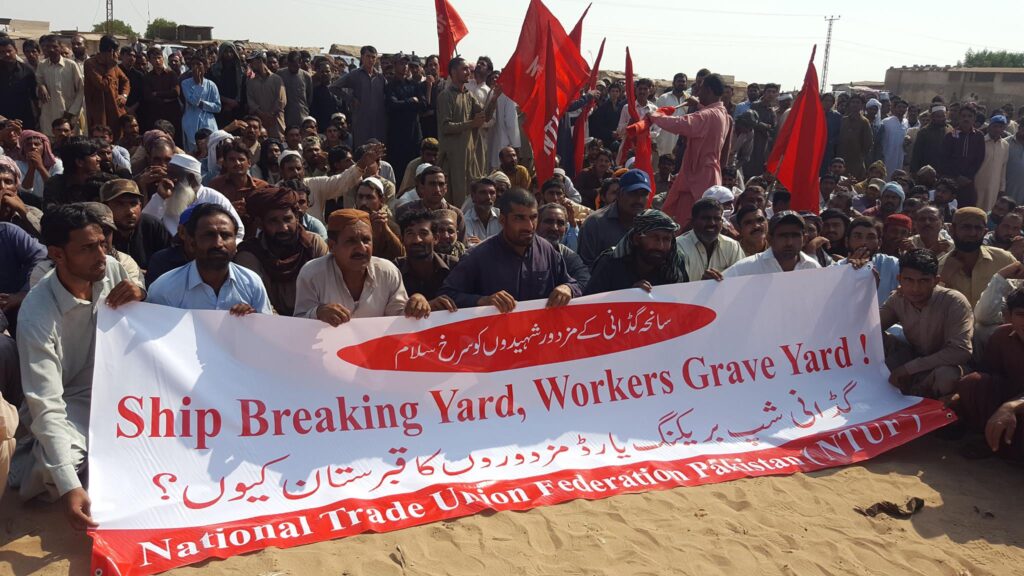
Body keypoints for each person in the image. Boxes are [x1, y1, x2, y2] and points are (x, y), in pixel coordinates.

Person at [10, 204, 144, 527]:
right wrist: (71, 486)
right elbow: (46, 403)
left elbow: (136, 323)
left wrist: (140, 293)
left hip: (119, 391)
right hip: (73, 402)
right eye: (87, 248)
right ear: (57, 254)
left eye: (102, 243)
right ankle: (26, 460)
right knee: (56, 470)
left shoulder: (110, 268)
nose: (101, 254)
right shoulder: (37, 313)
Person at [440, 188, 580, 311]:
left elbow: (574, 284)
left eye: (533, 217)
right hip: (496, 337)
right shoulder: (478, 256)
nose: (529, 226)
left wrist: (567, 288)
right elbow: (447, 294)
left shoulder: (546, 250)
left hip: (537, 334)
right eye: (519, 218)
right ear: (502, 220)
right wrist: (483, 301)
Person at [294, 209, 417, 322]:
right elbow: (299, 322)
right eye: (351, 241)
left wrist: (415, 306)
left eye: (366, 240)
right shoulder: (312, 274)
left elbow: (399, 320)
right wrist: (318, 313)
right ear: (332, 246)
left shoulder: (387, 272)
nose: (361, 248)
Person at [880, 249, 973, 399]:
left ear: (935, 281)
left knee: (946, 376)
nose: (915, 288)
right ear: (899, 279)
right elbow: (870, 329)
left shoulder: (954, 301)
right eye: (908, 280)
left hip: (944, 366)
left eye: (923, 281)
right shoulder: (898, 298)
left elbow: (960, 351)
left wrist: (908, 369)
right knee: (874, 341)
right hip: (912, 360)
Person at [650, 74, 733, 230]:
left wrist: (655, 117)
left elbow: (682, 124)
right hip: (704, 175)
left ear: (708, 90)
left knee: (692, 223)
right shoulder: (723, 114)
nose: (697, 92)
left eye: (700, 88)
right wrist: (699, 105)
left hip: (698, 178)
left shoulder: (708, 115)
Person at [235, 187, 328, 316]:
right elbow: (256, 302)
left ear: (296, 217)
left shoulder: (314, 244)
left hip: (314, 320)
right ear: (261, 224)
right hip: (270, 325)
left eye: (287, 219)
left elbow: (328, 290)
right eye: (273, 221)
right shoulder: (250, 255)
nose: (283, 228)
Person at [955, 286, 1024, 461]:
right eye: (1021, 314)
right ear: (1008, 316)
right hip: (1008, 404)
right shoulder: (1001, 337)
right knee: (972, 383)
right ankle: (987, 438)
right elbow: (987, 376)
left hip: (1015, 407)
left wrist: (1012, 406)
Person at [585, 209, 688, 295]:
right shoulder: (610, 262)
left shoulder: (675, 266)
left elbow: (683, 304)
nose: (660, 246)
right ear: (637, 239)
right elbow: (590, 305)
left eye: (666, 239)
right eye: (654, 237)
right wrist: (628, 296)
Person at [142, 153, 244, 240]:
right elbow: (144, 226)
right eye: (167, 175)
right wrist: (160, 198)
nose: (168, 180)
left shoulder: (214, 198)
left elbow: (238, 231)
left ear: (190, 179)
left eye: (173, 176)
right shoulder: (164, 195)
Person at [938, 207, 1017, 308]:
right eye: (966, 227)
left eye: (978, 228)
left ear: (985, 232)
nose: (972, 233)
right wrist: (944, 278)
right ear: (952, 230)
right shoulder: (940, 266)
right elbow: (932, 305)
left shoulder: (1004, 259)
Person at [437, 57, 488, 207]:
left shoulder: (469, 95)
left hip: (470, 156)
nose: (468, 72)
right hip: (453, 157)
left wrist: (494, 98)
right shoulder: (445, 96)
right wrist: (471, 124)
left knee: (470, 194)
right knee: (454, 199)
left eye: (468, 69)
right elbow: (446, 127)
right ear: (453, 72)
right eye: (464, 69)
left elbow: (485, 116)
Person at [578, 169, 650, 267]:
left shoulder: (652, 223)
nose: (639, 199)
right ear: (619, 194)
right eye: (633, 193)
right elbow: (584, 268)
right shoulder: (595, 223)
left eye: (644, 194)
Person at [101, 178, 171, 271]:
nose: (130, 211)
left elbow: (169, 262)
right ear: (105, 207)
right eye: (120, 204)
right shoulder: (99, 233)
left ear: (140, 206)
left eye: (133, 204)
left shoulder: (152, 225)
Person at [724, 211, 822, 277]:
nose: (789, 242)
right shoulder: (745, 268)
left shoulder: (813, 267)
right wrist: (711, 281)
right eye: (782, 236)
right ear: (770, 239)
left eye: (795, 235)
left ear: (804, 239)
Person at [394, 208, 459, 306]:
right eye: (410, 234)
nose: (417, 240)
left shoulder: (454, 266)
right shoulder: (394, 270)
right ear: (402, 239)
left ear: (436, 238)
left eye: (423, 233)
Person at [330, 46, 386, 147]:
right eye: (368, 56)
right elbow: (333, 87)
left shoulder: (380, 77)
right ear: (362, 57)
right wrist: (350, 99)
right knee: (361, 150)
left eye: (373, 57)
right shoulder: (355, 75)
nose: (371, 60)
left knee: (378, 150)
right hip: (361, 120)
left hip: (378, 122)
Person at [678, 197, 743, 281]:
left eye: (717, 219)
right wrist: (703, 285)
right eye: (705, 218)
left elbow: (740, 279)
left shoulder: (732, 246)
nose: (712, 223)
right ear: (693, 222)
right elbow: (677, 286)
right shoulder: (679, 246)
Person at [394, 165, 465, 240]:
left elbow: (462, 246)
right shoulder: (405, 211)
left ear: (446, 188)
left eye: (441, 184)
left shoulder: (456, 215)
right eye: (432, 184)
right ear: (421, 188)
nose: (437, 189)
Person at [841, 217, 899, 305]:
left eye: (871, 237)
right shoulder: (835, 268)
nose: (864, 242)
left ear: (879, 243)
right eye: (857, 236)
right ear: (846, 241)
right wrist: (848, 273)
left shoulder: (892, 264)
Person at [35, 35, 84, 139]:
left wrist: (72, 112)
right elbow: (38, 84)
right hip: (49, 117)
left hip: (68, 116)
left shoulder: (71, 65)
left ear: (61, 48)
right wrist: (41, 86)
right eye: (48, 47)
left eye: (55, 46)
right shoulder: (42, 66)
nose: (51, 49)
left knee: (70, 147)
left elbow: (81, 90)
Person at [385, 54, 425, 177]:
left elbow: (423, 104)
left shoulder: (414, 85)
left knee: (415, 167)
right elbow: (392, 105)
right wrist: (411, 101)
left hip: (414, 133)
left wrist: (406, 103)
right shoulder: (390, 86)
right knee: (399, 168)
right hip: (398, 134)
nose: (405, 66)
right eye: (401, 64)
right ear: (395, 65)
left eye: (406, 64)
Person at [83, 36, 130, 140]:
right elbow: (103, 85)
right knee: (101, 139)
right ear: (111, 51)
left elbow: (125, 80)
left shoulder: (114, 65)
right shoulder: (90, 64)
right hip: (100, 112)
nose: (118, 55)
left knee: (118, 138)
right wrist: (109, 67)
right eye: (117, 51)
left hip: (116, 110)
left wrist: (124, 96)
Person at [939, 105, 986, 207]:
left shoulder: (979, 136)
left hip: (969, 182)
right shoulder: (950, 136)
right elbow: (945, 159)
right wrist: (957, 177)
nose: (966, 119)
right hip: (951, 181)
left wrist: (968, 177)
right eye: (963, 116)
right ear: (959, 117)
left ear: (974, 118)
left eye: (970, 116)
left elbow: (979, 159)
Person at [537, 202, 590, 287]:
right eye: (549, 222)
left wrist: (570, 289)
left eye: (560, 223)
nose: (554, 228)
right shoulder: (523, 250)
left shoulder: (566, 254)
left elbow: (585, 279)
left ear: (565, 229)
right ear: (537, 225)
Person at [354, 176, 404, 261]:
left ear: (382, 200)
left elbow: (401, 254)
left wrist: (385, 228)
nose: (363, 202)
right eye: (360, 197)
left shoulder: (391, 226)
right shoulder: (350, 223)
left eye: (369, 197)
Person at [42, 139, 101, 211]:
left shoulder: (101, 182)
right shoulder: (55, 184)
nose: (99, 159)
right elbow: (51, 211)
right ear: (79, 162)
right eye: (94, 155)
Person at [180, 55, 221, 154]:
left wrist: (203, 104)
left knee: (211, 148)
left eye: (198, 64)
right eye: (193, 65)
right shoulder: (185, 83)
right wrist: (198, 85)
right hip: (190, 121)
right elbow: (193, 101)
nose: (195, 67)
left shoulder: (211, 85)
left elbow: (217, 107)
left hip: (208, 122)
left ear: (205, 67)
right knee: (193, 150)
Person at [140, 47, 182, 138]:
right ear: (150, 61)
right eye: (154, 58)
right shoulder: (147, 77)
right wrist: (165, 98)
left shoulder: (171, 74)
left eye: (159, 58)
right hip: (155, 114)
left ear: (163, 58)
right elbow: (148, 96)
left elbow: (175, 92)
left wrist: (157, 94)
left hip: (172, 114)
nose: (157, 60)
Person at [246, 51, 287, 140]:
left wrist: (270, 115)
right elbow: (251, 101)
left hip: (276, 125)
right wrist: (262, 115)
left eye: (252, 62)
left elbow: (281, 101)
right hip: (259, 126)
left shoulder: (277, 79)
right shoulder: (251, 82)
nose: (251, 65)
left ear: (260, 60)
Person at [0, 37, 38, 130]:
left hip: (24, 120)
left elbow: (34, 97)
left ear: (16, 50)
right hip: (2, 120)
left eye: (9, 51)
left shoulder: (27, 71)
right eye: (2, 52)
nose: (7, 54)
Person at [974, 115, 1010, 212]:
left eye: (1001, 127)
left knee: (988, 212)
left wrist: (1002, 188)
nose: (998, 129)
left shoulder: (1005, 145)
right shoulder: (980, 141)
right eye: (995, 126)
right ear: (989, 127)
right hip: (977, 185)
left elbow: (1003, 167)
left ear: (1004, 129)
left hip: (994, 187)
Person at [15, 130, 62, 201]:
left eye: (37, 144)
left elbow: (55, 188)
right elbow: (24, 191)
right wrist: (31, 168)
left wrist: (40, 166)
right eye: (28, 144)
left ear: (44, 147)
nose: (33, 147)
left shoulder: (56, 163)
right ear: (23, 149)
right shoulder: (17, 165)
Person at [837, 94, 873, 180]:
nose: (855, 104)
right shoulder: (843, 120)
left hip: (856, 160)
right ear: (849, 104)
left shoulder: (864, 122)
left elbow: (868, 143)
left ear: (862, 105)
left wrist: (860, 155)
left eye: (857, 102)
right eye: (853, 102)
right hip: (841, 158)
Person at [208, 43, 246, 127]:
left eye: (231, 52)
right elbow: (211, 90)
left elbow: (244, 90)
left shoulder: (241, 71)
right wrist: (227, 101)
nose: (228, 54)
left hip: (237, 109)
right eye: (225, 52)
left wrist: (235, 103)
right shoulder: (213, 70)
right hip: (219, 108)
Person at [276, 51, 313, 132]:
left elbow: (309, 97)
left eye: (294, 65)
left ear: (300, 62)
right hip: (285, 115)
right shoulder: (280, 74)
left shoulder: (306, 76)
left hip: (301, 115)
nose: (292, 68)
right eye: (290, 65)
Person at [464, 177, 501, 247]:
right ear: (473, 196)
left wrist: (482, 243)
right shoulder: (466, 220)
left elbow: (508, 245)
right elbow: (471, 249)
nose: (488, 197)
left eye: (492, 193)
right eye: (483, 193)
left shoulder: (501, 216)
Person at [878, 99, 909, 177]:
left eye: (904, 107)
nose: (902, 109)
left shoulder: (906, 122)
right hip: (887, 155)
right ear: (894, 108)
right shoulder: (886, 122)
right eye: (899, 107)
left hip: (900, 155)